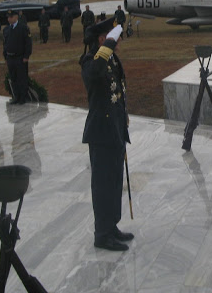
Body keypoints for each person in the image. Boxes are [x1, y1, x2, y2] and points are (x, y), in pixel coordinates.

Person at [80, 17, 133, 251]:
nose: (117, 42)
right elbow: (94, 75)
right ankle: (101, 234)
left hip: (115, 130)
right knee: (102, 186)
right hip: (101, 133)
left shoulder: (111, 59)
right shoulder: (90, 61)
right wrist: (106, 49)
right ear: (102, 40)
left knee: (114, 183)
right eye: (113, 38)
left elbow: (119, 91)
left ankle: (111, 227)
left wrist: (124, 124)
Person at [3, 9, 32, 105]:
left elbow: (28, 43)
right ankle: (16, 96)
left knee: (22, 78)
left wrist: (26, 56)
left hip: (20, 58)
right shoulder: (6, 29)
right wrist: (5, 57)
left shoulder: (23, 28)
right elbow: (5, 44)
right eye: (8, 17)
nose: (9, 19)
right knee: (13, 78)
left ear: (16, 17)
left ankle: (22, 98)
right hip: (10, 58)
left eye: (11, 17)